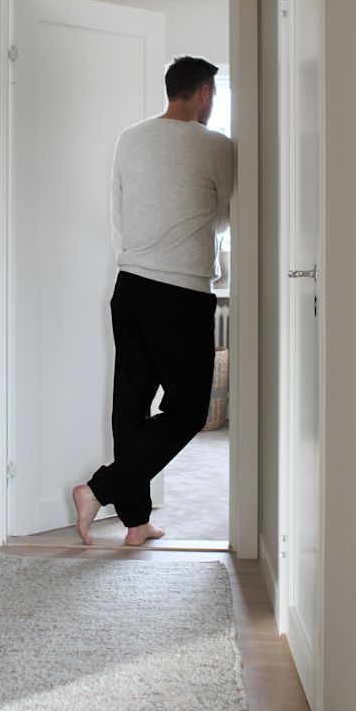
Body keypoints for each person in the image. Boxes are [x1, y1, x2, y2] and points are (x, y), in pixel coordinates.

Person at [72, 56, 234, 547]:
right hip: (180, 293)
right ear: (204, 92)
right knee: (187, 411)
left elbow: (120, 211)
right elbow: (225, 217)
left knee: (132, 405)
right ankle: (98, 490)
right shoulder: (217, 147)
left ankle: (136, 524)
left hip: (130, 287)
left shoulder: (130, 138)